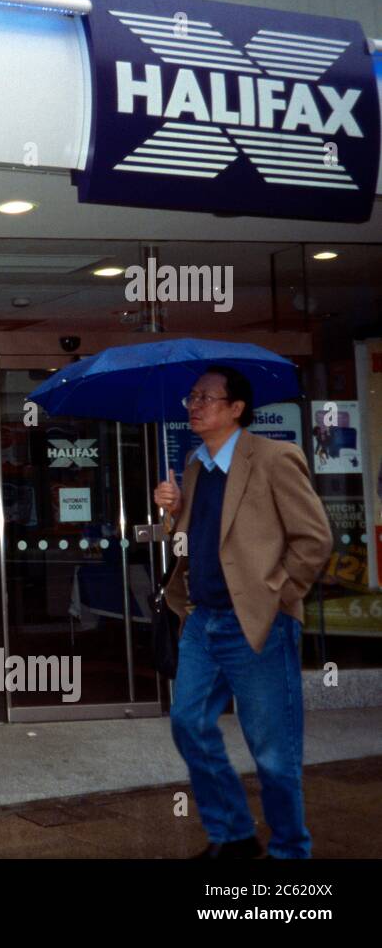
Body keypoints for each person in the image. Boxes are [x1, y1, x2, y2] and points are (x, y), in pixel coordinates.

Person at [154, 366, 331, 859]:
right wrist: (171, 513)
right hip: (201, 619)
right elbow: (191, 541)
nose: (194, 405)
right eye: (192, 397)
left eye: (207, 397)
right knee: (189, 724)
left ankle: (290, 851)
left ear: (236, 408)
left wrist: (279, 594)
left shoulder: (275, 458)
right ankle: (232, 835)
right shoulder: (193, 465)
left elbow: (314, 539)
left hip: (256, 621)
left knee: (273, 750)